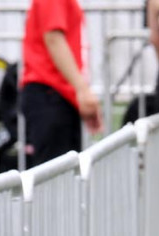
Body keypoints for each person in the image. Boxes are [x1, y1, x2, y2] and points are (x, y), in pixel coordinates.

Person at [19, 0, 102, 167]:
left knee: (63, 177)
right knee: (55, 180)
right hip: (50, 94)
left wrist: (79, 93)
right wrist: (82, 90)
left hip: (55, 95)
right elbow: (54, 39)